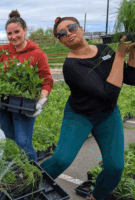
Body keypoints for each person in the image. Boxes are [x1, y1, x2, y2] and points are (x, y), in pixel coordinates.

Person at [40, 17, 135, 200]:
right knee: (61, 159)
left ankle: (96, 197)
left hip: (107, 115)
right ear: (60, 41)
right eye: (62, 33)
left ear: (81, 29)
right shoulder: (71, 66)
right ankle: (31, 182)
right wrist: (120, 56)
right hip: (79, 115)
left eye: (72, 27)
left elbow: (131, 78)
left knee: (115, 168)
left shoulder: (103, 50)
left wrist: (131, 54)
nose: (68, 33)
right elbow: (108, 94)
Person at [0, 10, 54, 162]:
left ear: (25, 31)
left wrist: (41, 101)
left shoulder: (37, 54)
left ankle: (33, 175)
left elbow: (47, 80)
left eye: (17, 32)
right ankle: (17, 173)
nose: (13, 36)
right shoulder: (2, 51)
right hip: (3, 102)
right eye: (9, 33)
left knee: (23, 142)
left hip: (24, 104)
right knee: (9, 141)